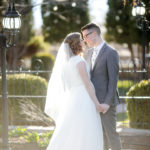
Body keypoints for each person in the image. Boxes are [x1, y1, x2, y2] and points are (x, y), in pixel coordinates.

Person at [44, 32, 104, 150]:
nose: (83, 41)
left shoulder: (67, 63)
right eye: (81, 40)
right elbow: (87, 84)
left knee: (72, 129)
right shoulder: (79, 62)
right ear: (77, 44)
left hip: (72, 99)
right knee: (85, 129)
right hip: (84, 98)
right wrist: (97, 104)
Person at [81, 23, 122, 150]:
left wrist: (106, 104)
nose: (84, 40)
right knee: (100, 136)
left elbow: (113, 81)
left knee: (111, 135)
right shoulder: (89, 52)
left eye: (85, 36)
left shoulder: (111, 52)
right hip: (93, 102)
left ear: (94, 33)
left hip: (106, 103)